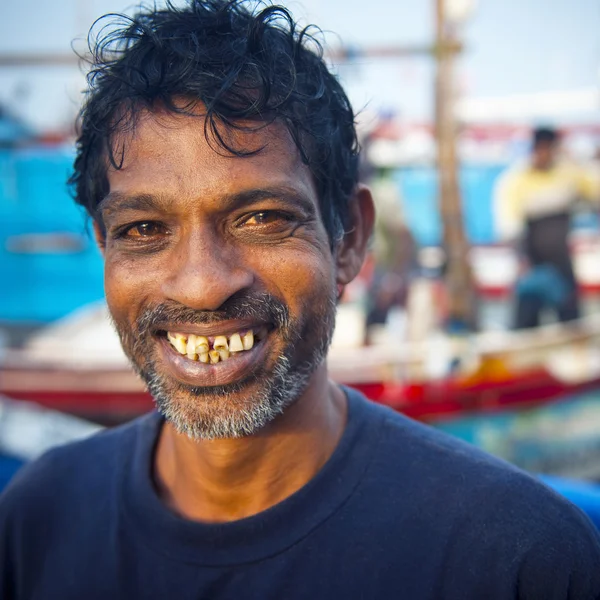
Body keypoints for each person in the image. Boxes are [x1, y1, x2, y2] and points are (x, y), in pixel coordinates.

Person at [1, 3, 600, 598]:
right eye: (144, 230)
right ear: (105, 248)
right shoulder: (35, 522)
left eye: (262, 218)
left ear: (350, 239)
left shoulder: (519, 558)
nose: (203, 284)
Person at [494, 127, 600, 329]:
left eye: (548, 149)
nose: (544, 154)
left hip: (562, 264)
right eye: (540, 148)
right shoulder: (516, 181)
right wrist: (521, 263)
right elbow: (509, 228)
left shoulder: (569, 174)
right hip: (532, 264)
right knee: (525, 328)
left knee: (572, 326)